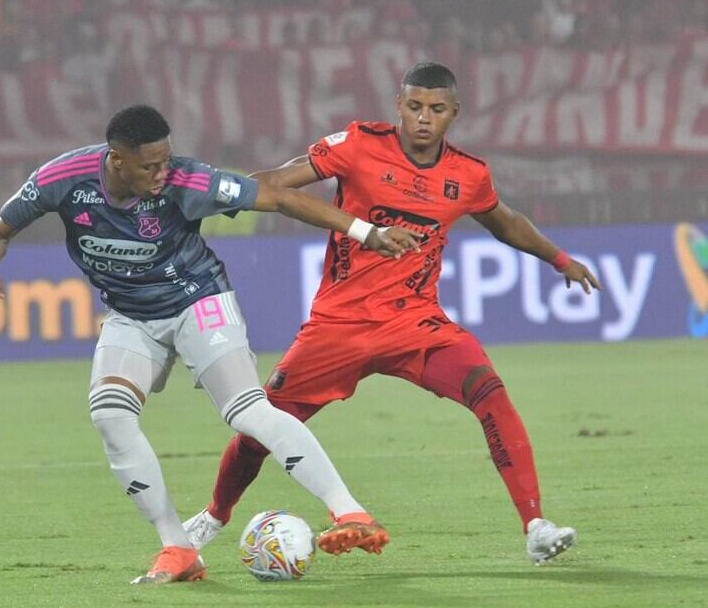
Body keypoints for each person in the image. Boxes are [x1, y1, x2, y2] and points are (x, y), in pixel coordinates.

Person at [0, 105, 422, 585]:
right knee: (109, 415)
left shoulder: (189, 180)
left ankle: (350, 512)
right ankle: (179, 549)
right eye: (150, 166)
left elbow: (278, 198)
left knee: (247, 410)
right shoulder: (62, 179)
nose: (163, 173)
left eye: (166, 160)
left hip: (197, 301)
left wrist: (366, 232)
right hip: (131, 315)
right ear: (116, 160)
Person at [184, 62, 601, 565]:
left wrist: (560, 259)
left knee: (489, 393)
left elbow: (506, 223)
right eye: (415, 106)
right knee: (259, 428)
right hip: (338, 326)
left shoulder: (468, 174)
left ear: (454, 113)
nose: (424, 118)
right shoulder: (358, 145)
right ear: (398, 105)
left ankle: (535, 525)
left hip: (415, 324)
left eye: (437, 109)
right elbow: (275, 181)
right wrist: (215, 196)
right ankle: (213, 516)